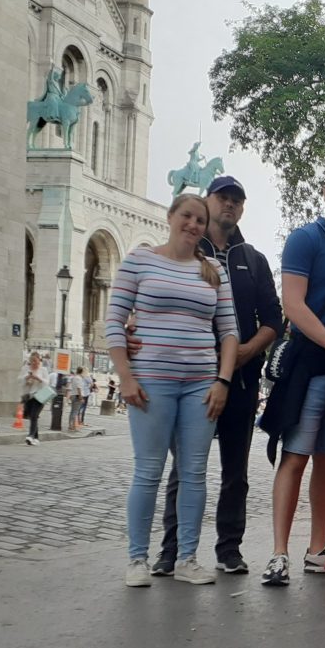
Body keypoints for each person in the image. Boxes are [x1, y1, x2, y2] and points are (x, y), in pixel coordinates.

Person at [145, 176, 282, 577]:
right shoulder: (185, 251)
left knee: (236, 471)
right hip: (192, 378)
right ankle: (171, 551)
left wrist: (246, 351)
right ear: (207, 201)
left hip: (242, 380)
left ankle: (229, 549)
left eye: (237, 200)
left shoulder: (253, 259)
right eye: (223, 197)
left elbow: (273, 320)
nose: (230, 205)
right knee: (186, 468)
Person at [106, 194, 239, 588]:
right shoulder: (139, 261)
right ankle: (137, 559)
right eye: (187, 216)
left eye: (200, 220)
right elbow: (114, 322)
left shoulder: (213, 270)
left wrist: (223, 380)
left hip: (201, 385)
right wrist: (126, 377)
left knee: (194, 472)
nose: (193, 225)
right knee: (148, 471)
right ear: (170, 217)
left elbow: (229, 331)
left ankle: (187, 558)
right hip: (151, 383)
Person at [259, 160, 325, 586]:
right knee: (295, 455)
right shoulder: (304, 239)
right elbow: (293, 305)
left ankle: (318, 548)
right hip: (311, 364)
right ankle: (278, 552)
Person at [18, 352, 50, 445]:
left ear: (39, 360)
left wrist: (38, 378)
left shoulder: (43, 370)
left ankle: (31, 435)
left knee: (34, 415)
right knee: (31, 415)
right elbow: (19, 380)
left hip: (40, 395)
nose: (33, 363)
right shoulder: (25, 369)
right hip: (29, 395)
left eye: (35, 361)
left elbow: (47, 383)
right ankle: (36, 438)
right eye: (31, 361)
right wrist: (27, 378)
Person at [68, 367, 85, 432]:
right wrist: (81, 397)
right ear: (82, 371)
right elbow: (79, 388)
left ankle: (71, 425)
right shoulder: (79, 378)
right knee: (75, 412)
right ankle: (73, 426)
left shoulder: (74, 377)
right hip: (77, 396)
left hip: (73, 395)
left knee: (72, 411)